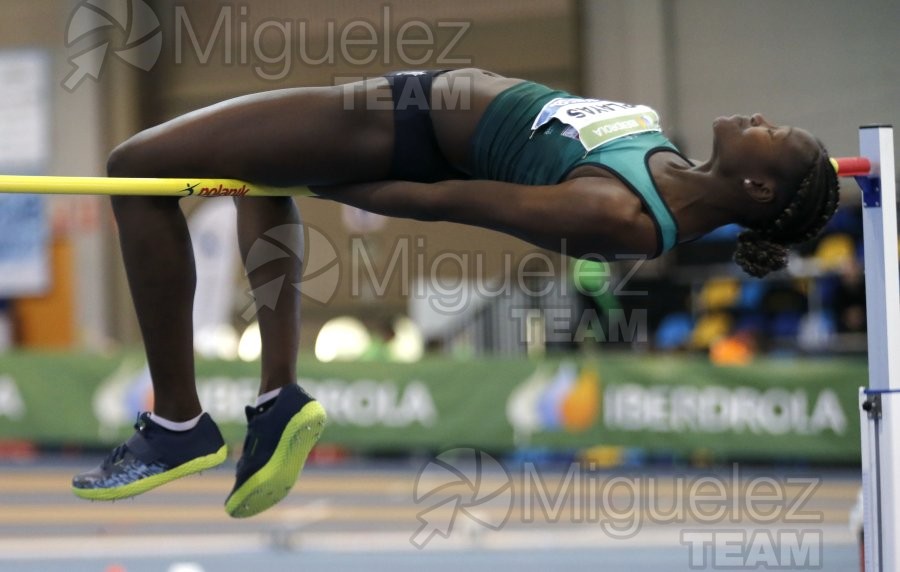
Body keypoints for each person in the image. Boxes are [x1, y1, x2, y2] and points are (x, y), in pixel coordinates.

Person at [71, 68, 840, 517]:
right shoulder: (671, 164)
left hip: (392, 126)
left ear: (759, 183)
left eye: (775, 135)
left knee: (133, 166)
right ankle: (275, 403)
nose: (761, 119)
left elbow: (452, 201)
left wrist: (337, 177)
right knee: (249, 175)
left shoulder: (617, 213)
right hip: (400, 109)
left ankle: (177, 419)